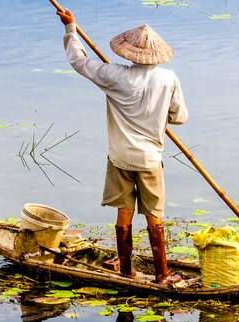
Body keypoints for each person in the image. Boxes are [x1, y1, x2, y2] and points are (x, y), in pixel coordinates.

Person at [57, 9, 187, 284]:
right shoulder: (169, 79)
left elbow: (80, 62)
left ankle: (127, 270)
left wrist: (71, 29)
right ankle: (162, 274)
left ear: (129, 53)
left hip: (120, 158)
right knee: (154, 215)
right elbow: (180, 117)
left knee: (124, 212)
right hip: (150, 158)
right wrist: (159, 117)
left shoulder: (114, 76)